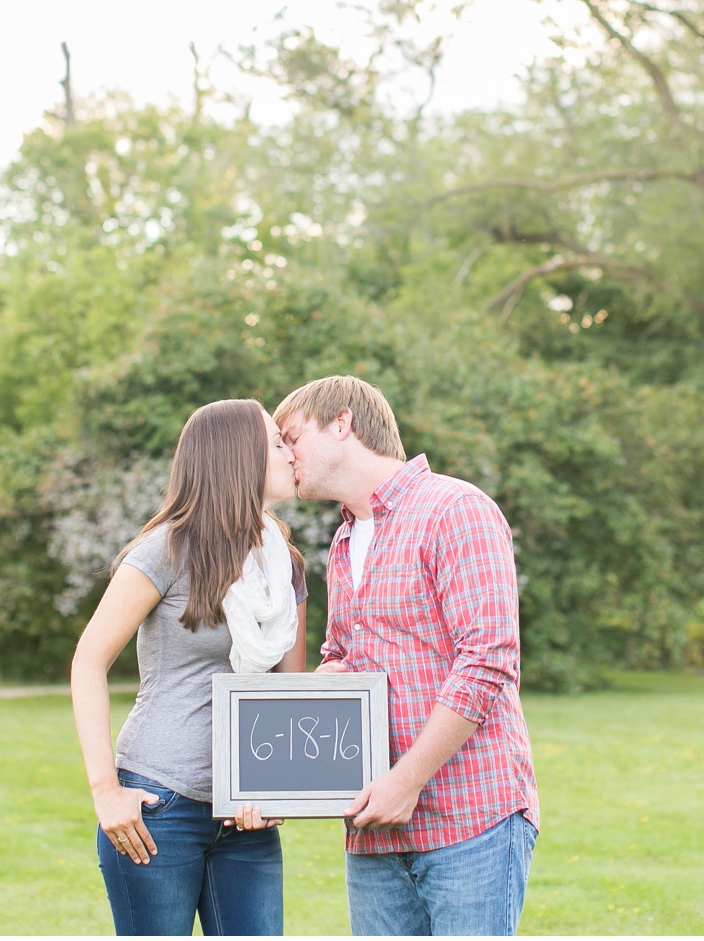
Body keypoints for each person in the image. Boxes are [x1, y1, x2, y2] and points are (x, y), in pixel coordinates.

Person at [273, 375, 540, 937]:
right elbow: (341, 653)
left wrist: (407, 780)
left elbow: (487, 660)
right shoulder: (344, 540)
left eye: (290, 436)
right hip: (374, 830)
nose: (283, 454)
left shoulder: (455, 508)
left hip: (470, 818)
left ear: (341, 423)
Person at [70, 399, 309, 936]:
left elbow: (285, 694)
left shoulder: (284, 565)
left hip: (245, 814)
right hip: (159, 804)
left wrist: (276, 790)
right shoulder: (166, 549)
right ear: (238, 457)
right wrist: (105, 790)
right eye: (277, 442)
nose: (291, 453)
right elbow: (89, 660)